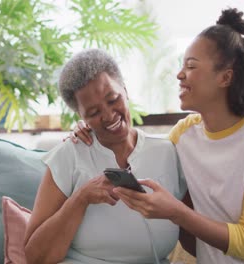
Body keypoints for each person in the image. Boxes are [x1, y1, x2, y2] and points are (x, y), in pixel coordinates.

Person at [69, 8, 244, 263]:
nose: (179, 74)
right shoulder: (184, 134)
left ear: (225, 77)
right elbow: (136, 146)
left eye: (191, 66)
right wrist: (86, 128)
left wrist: (176, 212)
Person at [23, 49, 187, 264]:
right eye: (93, 113)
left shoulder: (167, 152)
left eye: (113, 100)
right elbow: (35, 258)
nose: (109, 116)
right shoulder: (70, 154)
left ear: (125, 91)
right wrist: (80, 198)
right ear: (81, 117)